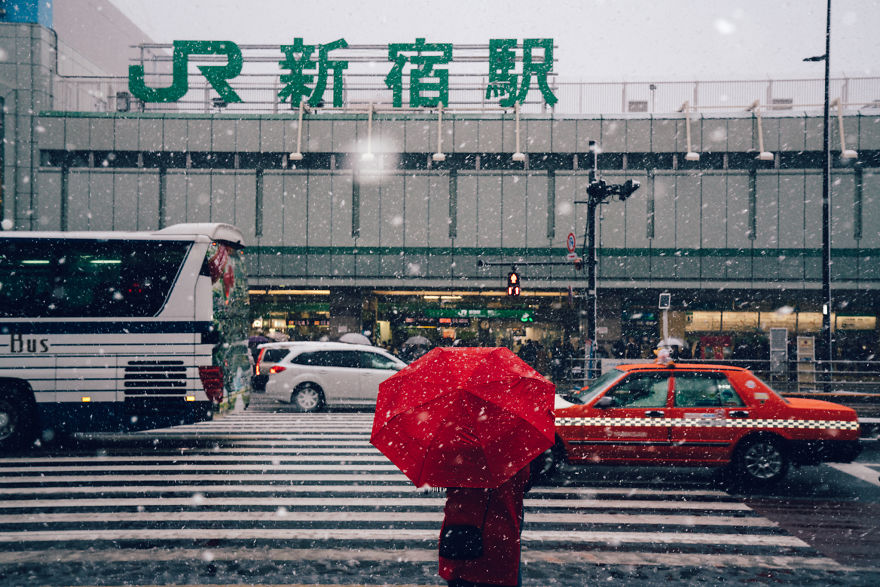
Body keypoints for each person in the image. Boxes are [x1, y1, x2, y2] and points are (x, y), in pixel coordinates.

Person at [439, 465, 531, 587]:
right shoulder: (515, 458)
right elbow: (525, 483)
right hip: (499, 540)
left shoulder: (455, 455)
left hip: (460, 538)